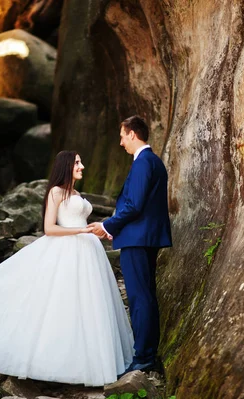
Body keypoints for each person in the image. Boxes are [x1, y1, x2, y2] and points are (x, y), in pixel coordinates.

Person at [0, 151, 134, 386]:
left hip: (89, 251)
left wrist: (93, 231)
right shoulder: (56, 192)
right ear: (66, 166)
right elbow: (49, 228)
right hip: (67, 247)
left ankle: (89, 360)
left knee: (88, 302)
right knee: (55, 301)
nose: (82, 166)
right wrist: (79, 231)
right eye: (77, 162)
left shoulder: (76, 193)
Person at [88, 115, 172, 375]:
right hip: (144, 236)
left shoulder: (144, 163)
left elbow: (134, 205)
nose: (121, 142)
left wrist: (109, 226)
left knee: (139, 298)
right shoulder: (153, 162)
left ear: (133, 134)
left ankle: (143, 358)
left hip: (139, 239)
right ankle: (148, 354)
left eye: (123, 136)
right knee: (145, 296)